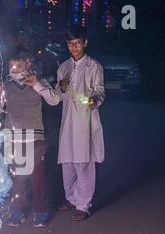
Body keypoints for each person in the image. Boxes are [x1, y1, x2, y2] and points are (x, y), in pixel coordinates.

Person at [0, 50, 60, 227]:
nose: (15, 69)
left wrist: (36, 84)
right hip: (12, 138)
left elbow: (54, 100)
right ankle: (16, 212)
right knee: (17, 177)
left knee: (38, 176)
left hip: (34, 138)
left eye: (19, 65)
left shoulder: (40, 83)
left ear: (28, 65)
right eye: (12, 66)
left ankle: (40, 212)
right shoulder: (6, 85)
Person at [56, 25, 106, 221]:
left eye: (77, 44)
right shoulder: (63, 67)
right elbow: (59, 95)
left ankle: (83, 205)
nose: (74, 48)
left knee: (83, 162)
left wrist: (93, 100)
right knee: (67, 163)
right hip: (68, 121)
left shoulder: (94, 66)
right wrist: (61, 87)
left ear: (85, 43)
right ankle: (71, 198)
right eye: (70, 44)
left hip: (85, 120)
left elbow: (100, 91)